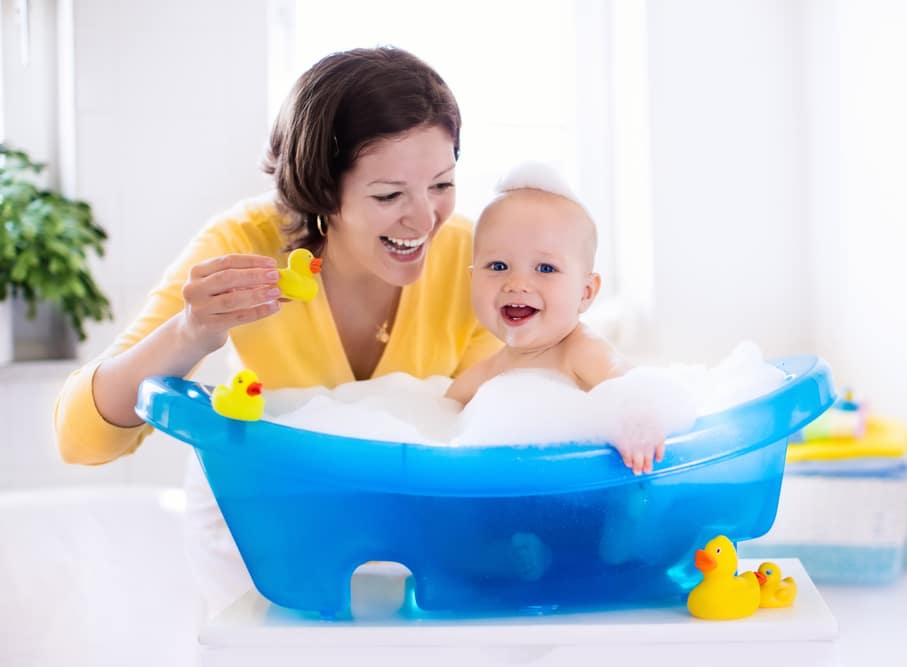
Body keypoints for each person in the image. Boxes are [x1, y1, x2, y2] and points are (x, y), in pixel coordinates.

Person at [53, 47, 502, 614]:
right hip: (272, 549)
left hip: (416, 550)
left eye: (442, 184)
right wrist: (191, 330)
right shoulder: (244, 242)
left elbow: (501, 430)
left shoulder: (473, 258)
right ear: (321, 190)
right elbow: (82, 438)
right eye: (389, 195)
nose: (424, 218)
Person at [445, 163, 666, 475]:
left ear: (586, 293)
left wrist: (637, 421)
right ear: (472, 279)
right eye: (497, 266)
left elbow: (630, 384)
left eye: (545, 268)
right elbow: (439, 418)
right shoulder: (486, 374)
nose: (517, 283)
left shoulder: (580, 351)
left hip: (592, 494)